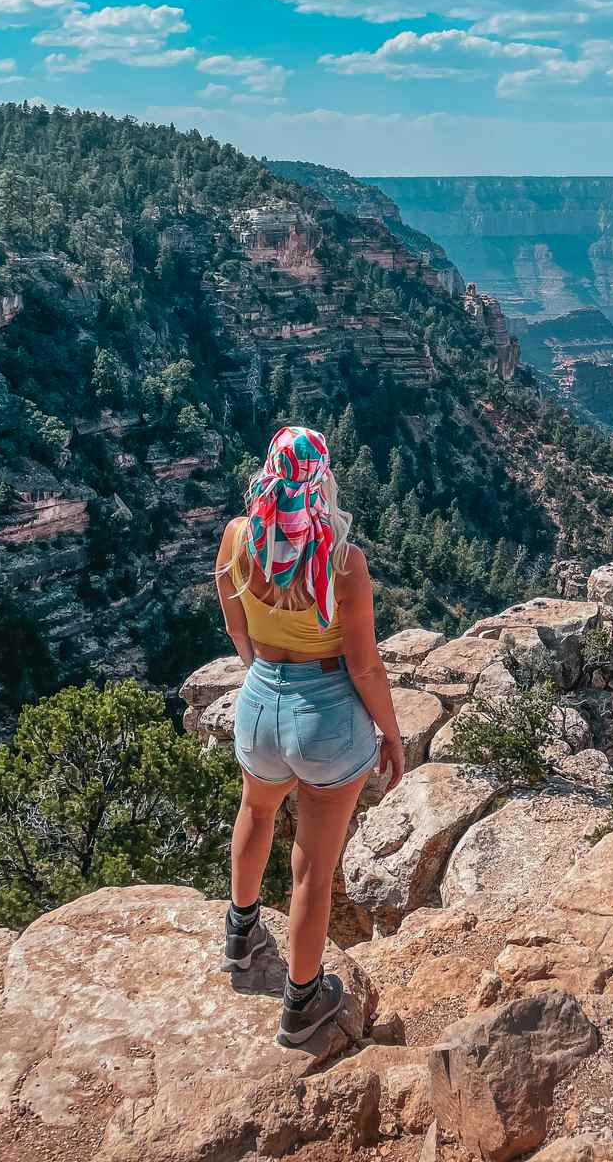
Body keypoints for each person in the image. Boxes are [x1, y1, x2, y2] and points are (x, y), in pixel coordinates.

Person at [214, 424, 406, 1047]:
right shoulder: (344, 562)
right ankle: (302, 1003)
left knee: (255, 811)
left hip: (260, 700)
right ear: (322, 480)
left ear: (267, 471)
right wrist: (391, 733)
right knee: (313, 870)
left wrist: (255, 661)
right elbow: (365, 665)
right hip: (326, 719)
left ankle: (240, 939)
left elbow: (227, 597)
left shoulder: (240, 537)